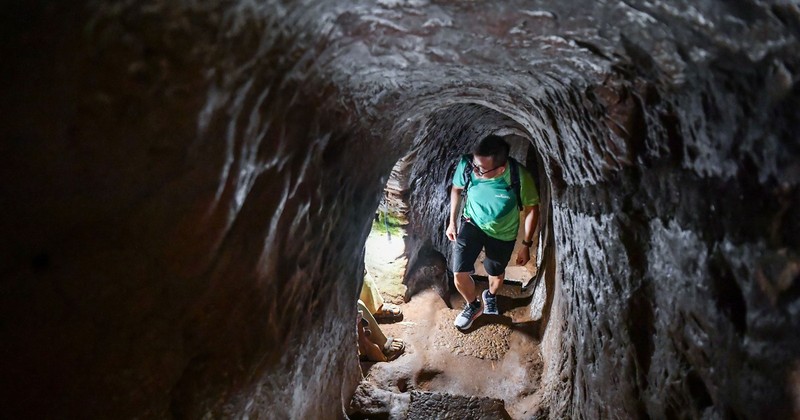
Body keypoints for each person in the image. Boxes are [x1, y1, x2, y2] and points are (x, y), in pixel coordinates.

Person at [447, 135, 540, 330]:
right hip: (471, 222)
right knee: (459, 273)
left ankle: (490, 296)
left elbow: (532, 209)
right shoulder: (467, 165)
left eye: (481, 169)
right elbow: (456, 189)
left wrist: (526, 245)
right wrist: (452, 222)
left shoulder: (520, 177)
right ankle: (472, 305)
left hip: (502, 233)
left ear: (501, 169)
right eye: (474, 165)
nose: (475, 171)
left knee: (495, 274)